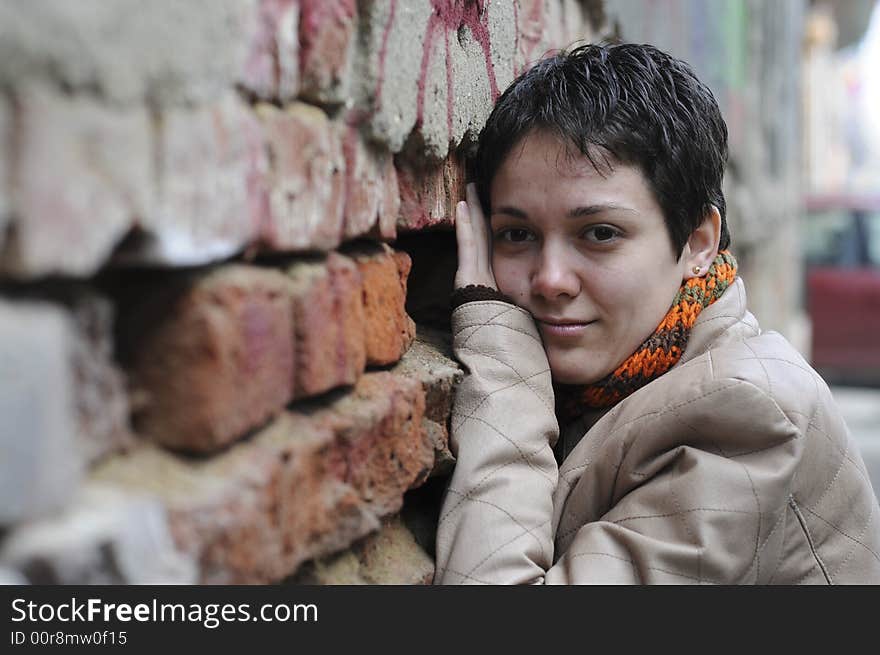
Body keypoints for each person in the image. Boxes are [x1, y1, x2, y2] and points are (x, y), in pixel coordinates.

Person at [433, 43, 880, 584]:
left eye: (599, 233)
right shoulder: (614, 379)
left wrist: (503, 365)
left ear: (697, 243)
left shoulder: (748, 416)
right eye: (517, 234)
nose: (550, 278)